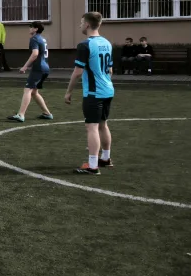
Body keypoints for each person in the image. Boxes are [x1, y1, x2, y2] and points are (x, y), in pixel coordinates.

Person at [64, 12, 115, 175]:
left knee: (91, 127)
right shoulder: (107, 43)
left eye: (81, 22)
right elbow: (110, 70)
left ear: (87, 24)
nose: (80, 25)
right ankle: (105, 158)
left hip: (94, 93)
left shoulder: (85, 45)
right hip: (108, 90)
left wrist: (68, 92)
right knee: (103, 124)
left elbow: (78, 72)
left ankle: (92, 166)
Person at [7, 22, 53, 122]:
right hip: (45, 68)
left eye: (31, 27)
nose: (29, 28)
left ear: (36, 29)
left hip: (38, 68)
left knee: (27, 90)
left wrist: (25, 66)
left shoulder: (34, 39)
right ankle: (47, 113)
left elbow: (35, 54)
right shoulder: (42, 39)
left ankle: (21, 114)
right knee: (34, 92)